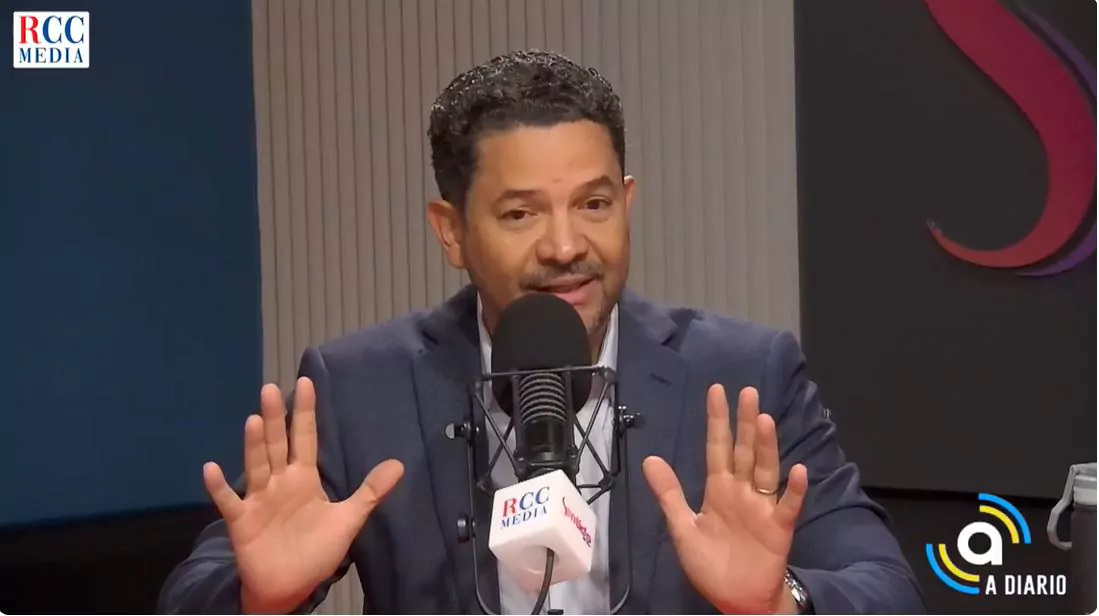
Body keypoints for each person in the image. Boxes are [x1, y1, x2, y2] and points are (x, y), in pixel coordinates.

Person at [159, 49, 925, 615]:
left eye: (593, 204)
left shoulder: (744, 372)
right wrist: (259, 597)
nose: (564, 246)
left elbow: (886, 590)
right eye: (520, 213)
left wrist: (779, 603)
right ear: (451, 230)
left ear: (627, 202)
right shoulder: (359, 388)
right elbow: (194, 593)